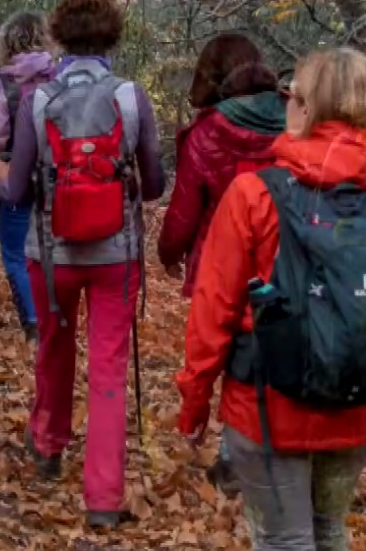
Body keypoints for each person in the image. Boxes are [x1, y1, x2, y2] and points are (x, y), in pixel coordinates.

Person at [176, 47, 366, 550]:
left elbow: (213, 312)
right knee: (328, 532)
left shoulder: (253, 196)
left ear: (305, 107)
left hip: (268, 407)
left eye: (290, 94)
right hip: (358, 407)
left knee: (283, 541)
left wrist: (195, 402)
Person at [0, 0, 165, 528]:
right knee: (109, 367)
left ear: (59, 36)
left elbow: (17, 191)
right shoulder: (132, 97)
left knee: (54, 347)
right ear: (112, 36)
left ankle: (47, 445)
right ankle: (104, 499)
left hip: (52, 251)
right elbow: (155, 184)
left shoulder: (40, 100)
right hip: (117, 255)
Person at [156, 33, 284, 492]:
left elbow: (185, 209)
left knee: (226, 348)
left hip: (219, 257)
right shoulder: (296, 122)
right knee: (268, 343)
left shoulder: (207, 133)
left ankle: (234, 455)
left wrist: (168, 252)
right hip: (283, 254)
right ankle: (254, 448)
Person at [0, 12, 56, 344]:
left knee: (14, 251)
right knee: (50, 248)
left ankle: (33, 320)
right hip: (58, 178)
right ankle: (53, 314)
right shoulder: (61, 78)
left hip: (14, 177)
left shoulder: (5, 84)